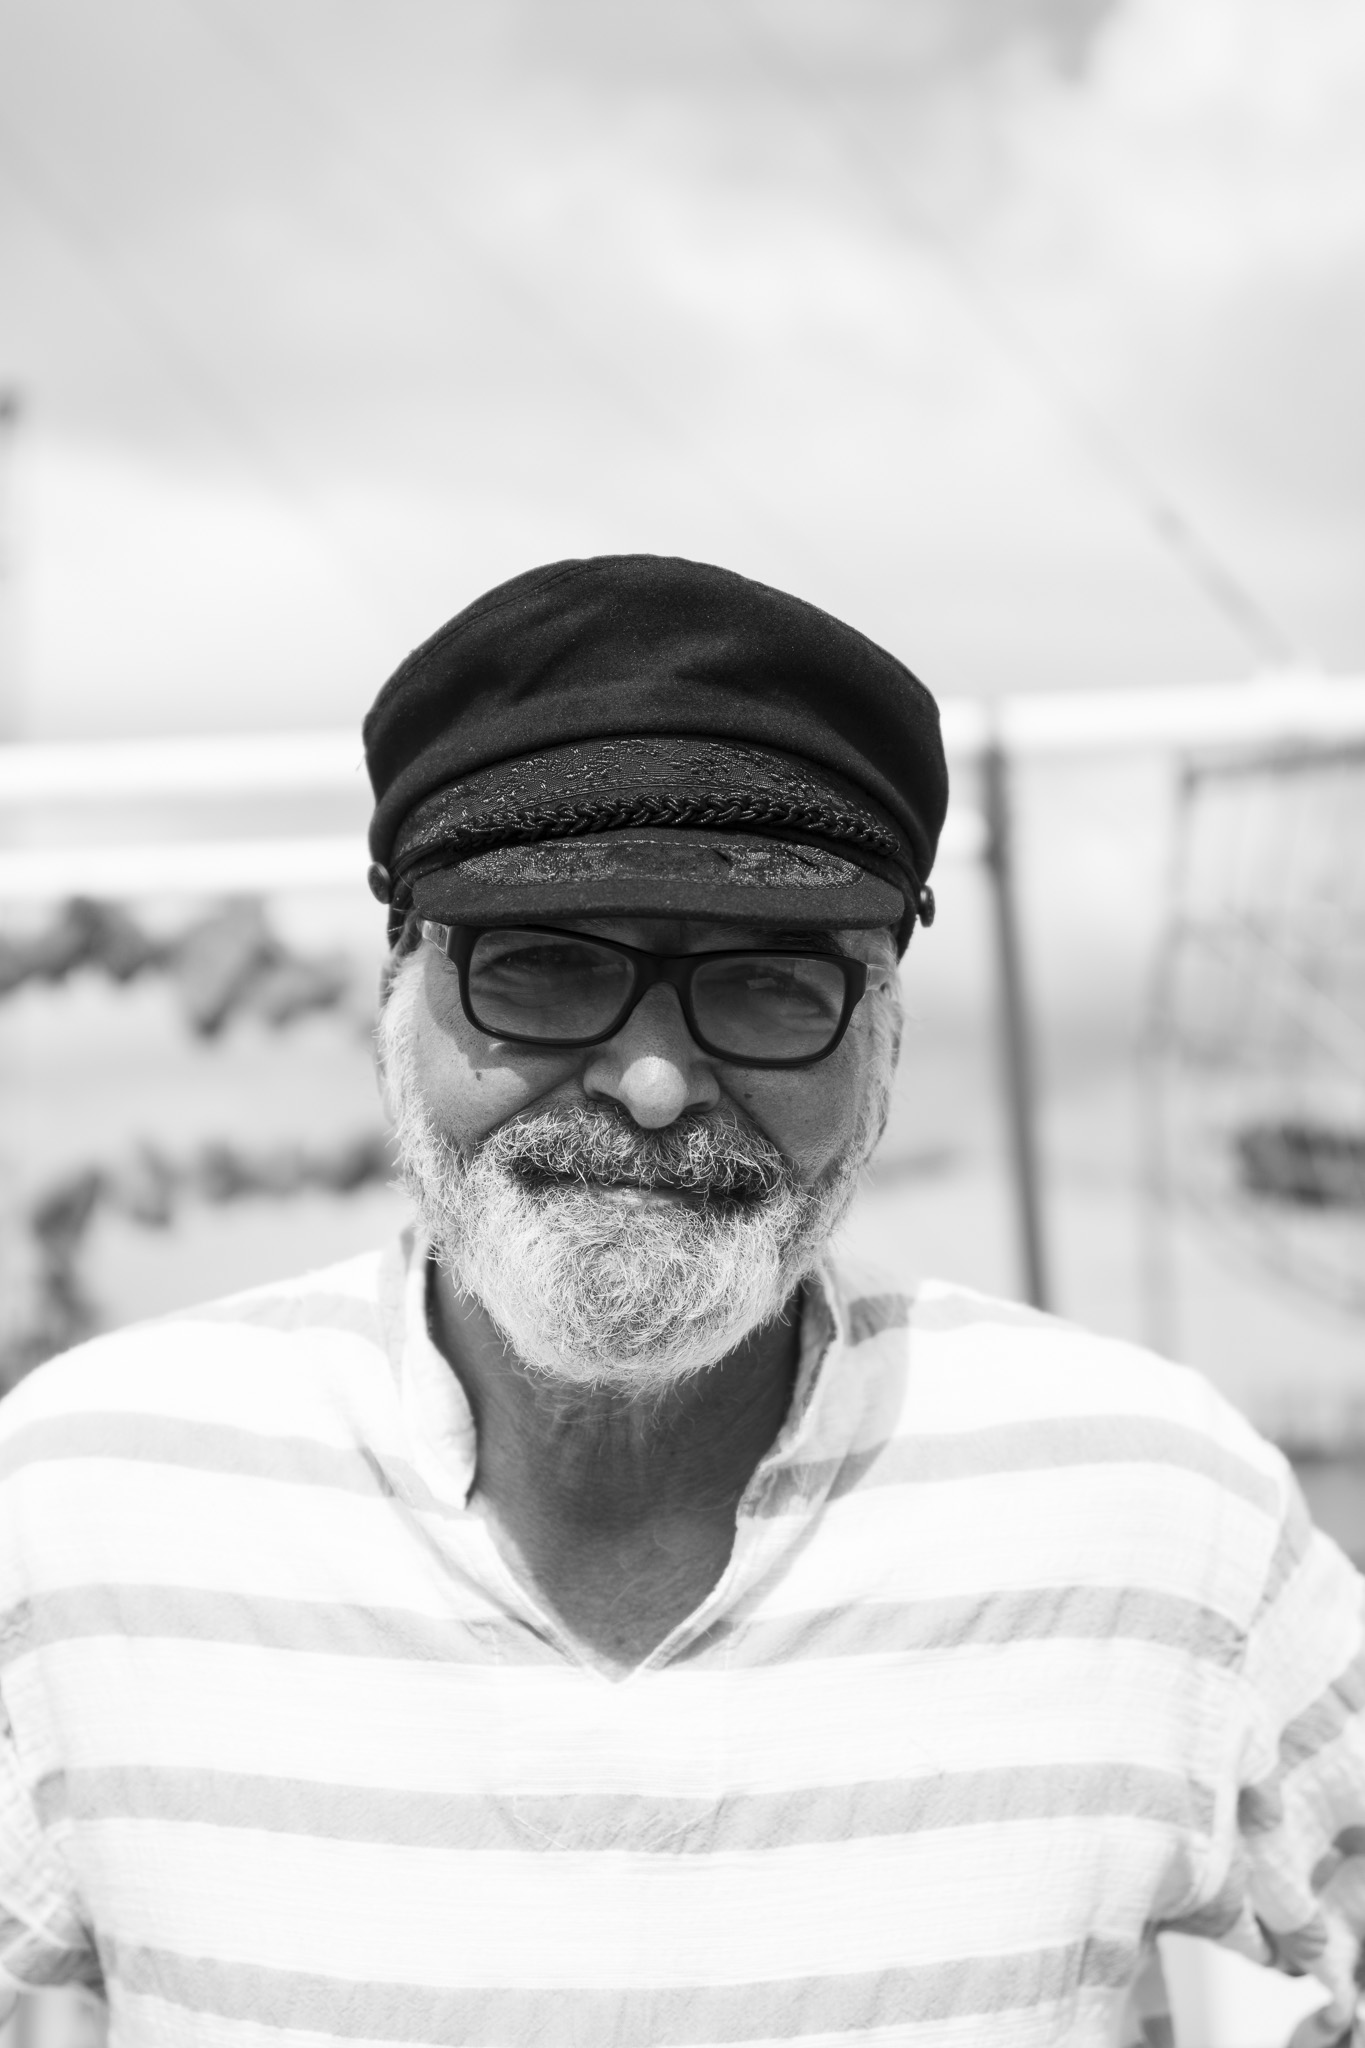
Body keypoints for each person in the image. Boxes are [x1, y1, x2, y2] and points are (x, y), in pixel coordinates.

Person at [0, 554, 1360, 2048]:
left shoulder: (1150, 1508)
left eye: (770, 985)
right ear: (400, 987)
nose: (652, 1086)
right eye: (544, 967)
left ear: (884, 1037)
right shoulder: (87, 1502)